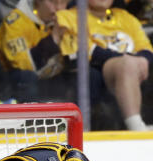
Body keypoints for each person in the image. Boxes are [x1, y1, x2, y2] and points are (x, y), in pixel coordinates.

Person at [55, 0, 153, 131]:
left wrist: (141, 61)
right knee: (126, 64)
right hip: (97, 70)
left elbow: (146, 48)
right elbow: (81, 50)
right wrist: (127, 60)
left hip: (135, 68)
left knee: (131, 64)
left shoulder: (125, 17)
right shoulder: (67, 17)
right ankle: (136, 127)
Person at [0, 0, 68, 103]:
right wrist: (53, 39)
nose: (58, 8)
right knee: (27, 76)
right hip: (15, 81)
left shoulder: (67, 21)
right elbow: (23, 64)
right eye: (52, 2)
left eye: (63, 2)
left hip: (52, 82)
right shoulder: (16, 21)